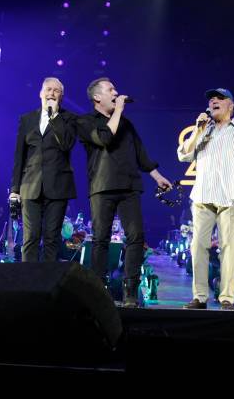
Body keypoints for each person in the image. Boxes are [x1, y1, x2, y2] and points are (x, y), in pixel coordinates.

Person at [76, 77, 171, 308]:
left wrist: (157, 176)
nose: (116, 93)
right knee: (100, 239)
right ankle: (98, 290)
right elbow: (105, 138)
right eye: (111, 90)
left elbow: (141, 154)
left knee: (136, 237)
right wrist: (118, 109)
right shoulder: (86, 121)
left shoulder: (126, 124)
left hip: (129, 186)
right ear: (97, 97)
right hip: (102, 186)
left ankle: (130, 292)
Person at [178, 88, 234, 310]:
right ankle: (200, 297)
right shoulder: (204, 130)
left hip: (232, 198)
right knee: (198, 247)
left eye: (219, 98)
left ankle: (226, 299)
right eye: (211, 99)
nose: (213, 101)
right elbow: (184, 155)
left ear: (230, 105)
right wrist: (197, 130)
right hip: (203, 197)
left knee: (229, 249)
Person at [9, 77, 77, 263]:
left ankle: (47, 285)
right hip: (30, 186)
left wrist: (54, 117)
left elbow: (66, 144)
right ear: (41, 93)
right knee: (30, 238)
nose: (51, 93)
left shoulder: (69, 119)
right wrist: (15, 189)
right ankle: (28, 284)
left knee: (51, 238)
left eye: (56, 91)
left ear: (61, 96)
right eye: (48, 89)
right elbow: (19, 155)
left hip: (58, 186)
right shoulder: (27, 119)